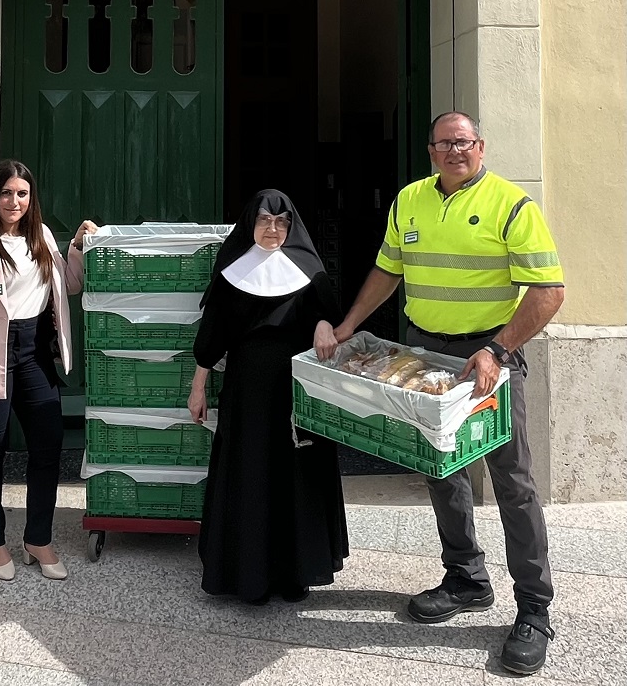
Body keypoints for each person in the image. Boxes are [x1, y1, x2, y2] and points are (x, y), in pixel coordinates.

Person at [317, 112, 564, 676]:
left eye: (465, 142)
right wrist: (351, 322)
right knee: (440, 467)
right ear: (430, 151)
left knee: (513, 481)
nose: (456, 150)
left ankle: (534, 610)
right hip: (425, 355)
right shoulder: (409, 201)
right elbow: (388, 270)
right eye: (445, 143)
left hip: (488, 359)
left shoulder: (512, 205)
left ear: (481, 146)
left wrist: (498, 351)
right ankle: (466, 578)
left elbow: (549, 290)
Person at [188, 188, 349, 604]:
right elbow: (213, 335)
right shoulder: (232, 271)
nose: (273, 229)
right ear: (250, 224)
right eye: (263, 220)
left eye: (281, 222)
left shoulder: (309, 270)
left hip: (298, 389)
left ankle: (296, 573)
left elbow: (329, 317)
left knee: (297, 476)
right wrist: (198, 386)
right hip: (248, 392)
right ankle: (250, 577)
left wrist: (323, 323)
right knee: (251, 474)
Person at [0, 159, 97, 582]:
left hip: (34, 355)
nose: (15, 201)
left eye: (22, 194)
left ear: (31, 199)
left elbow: (69, 285)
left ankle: (38, 539)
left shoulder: (42, 237)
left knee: (47, 446)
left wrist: (78, 247)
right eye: (7, 192)